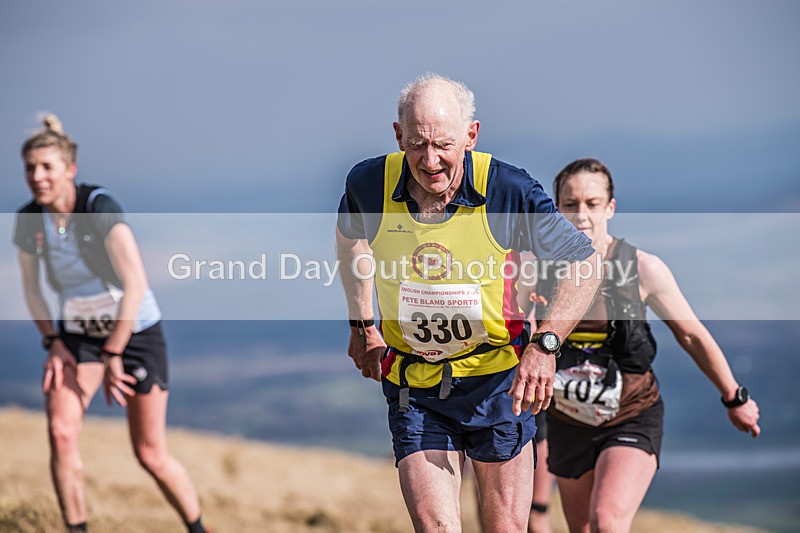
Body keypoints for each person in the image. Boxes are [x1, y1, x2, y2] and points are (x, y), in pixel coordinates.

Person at [335, 73, 602, 532]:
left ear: (471, 136)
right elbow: (349, 237)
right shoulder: (369, 184)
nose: (430, 160)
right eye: (417, 144)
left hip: (499, 383)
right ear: (398, 136)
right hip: (416, 383)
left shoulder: (507, 190)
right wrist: (362, 325)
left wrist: (546, 344)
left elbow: (585, 263)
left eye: (443, 144)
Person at [530, 158, 761, 533]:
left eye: (592, 203)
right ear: (557, 208)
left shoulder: (643, 269)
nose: (581, 215)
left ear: (610, 207)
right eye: (570, 204)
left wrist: (734, 397)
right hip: (567, 423)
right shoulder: (536, 271)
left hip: (632, 415)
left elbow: (691, 335)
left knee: (607, 521)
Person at [13, 115, 210, 533]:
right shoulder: (29, 218)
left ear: (70, 169)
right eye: (30, 168)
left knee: (149, 453)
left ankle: (198, 528)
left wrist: (113, 353)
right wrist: (52, 342)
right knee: (61, 432)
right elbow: (32, 289)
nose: (37, 177)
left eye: (47, 167)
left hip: (134, 331)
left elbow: (135, 285)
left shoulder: (99, 207)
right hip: (77, 334)